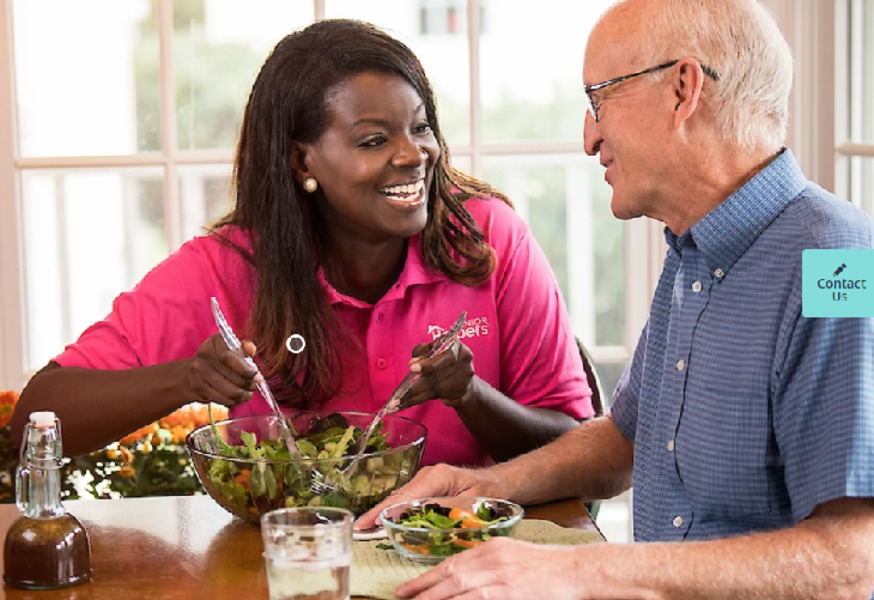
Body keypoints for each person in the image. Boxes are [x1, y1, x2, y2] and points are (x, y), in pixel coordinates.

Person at [357, 0, 874, 597]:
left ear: (683, 89)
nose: (589, 136)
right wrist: (481, 487)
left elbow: (854, 561)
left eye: (599, 99)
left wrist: (577, 573)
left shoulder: (840, 264)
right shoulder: (694, 251)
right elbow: (625, 442)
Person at [11, 19, 593, 466]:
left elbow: (582, 450)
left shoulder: (487, 240)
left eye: (420, 127)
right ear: (300, 160)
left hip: (465, 562)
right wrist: (187, 379)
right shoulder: (230, 266)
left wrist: (470, 396)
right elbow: (37, 417)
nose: (415, 154)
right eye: (373, 139)